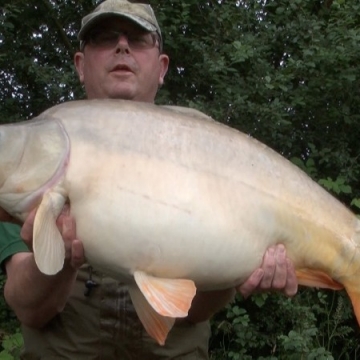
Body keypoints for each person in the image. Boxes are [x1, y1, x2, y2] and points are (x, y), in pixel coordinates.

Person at [0, 1, 298, 359]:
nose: (122, 46)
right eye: (104, 38)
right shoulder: (35, 153)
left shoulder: (207, 144)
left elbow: (195, 311)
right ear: (81, 65)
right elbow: (28, 308)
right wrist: (58, 260)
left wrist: (242, 273)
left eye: (139, 39)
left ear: (161, 68)